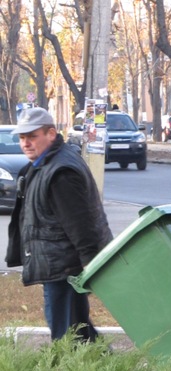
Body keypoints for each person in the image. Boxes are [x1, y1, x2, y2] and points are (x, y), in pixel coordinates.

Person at [5, 108, 113, 342]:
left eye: (32, 136)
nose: (26, 143)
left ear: (51, 133)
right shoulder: (47, 164)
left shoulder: (60, 171)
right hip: (59, 265)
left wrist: (90, 265)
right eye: (22, 138)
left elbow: (80, 224)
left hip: (65, 268)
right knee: (77, 331)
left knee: (68, 336)